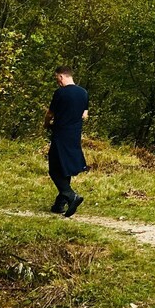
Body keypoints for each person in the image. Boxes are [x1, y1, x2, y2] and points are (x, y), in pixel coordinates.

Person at [44, 65, 89, 217]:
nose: (58, 82)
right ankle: (59, 204)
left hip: (61, 134)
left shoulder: (60, 93)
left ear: (62, 76)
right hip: (75, 134)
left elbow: (50, 114)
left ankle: (71, 195)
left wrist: (46, 124)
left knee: (54, 168)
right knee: (66, 167)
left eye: (57, 79)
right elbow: (85, 115)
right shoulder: (83, 93)